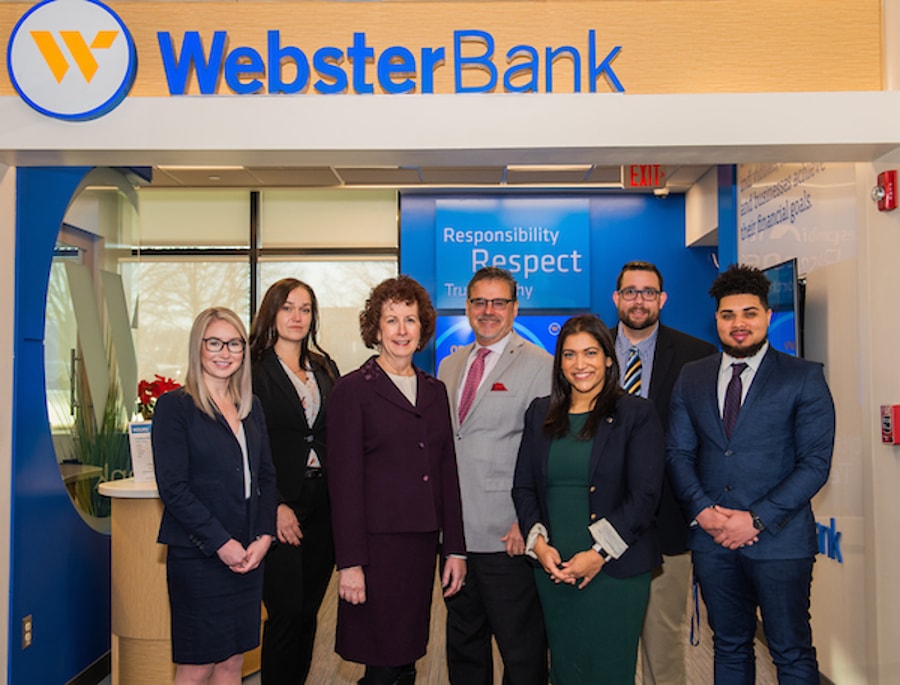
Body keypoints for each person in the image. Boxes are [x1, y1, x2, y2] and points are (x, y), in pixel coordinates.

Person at [667, 264, 835, 684]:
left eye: (749, 313)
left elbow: (815, 463)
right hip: (713, 540)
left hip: (781, 542)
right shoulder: (693, 377)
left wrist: (755, 519)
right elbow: (679, 451)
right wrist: (703, 511)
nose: (738, 324)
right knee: (729, 645)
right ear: (717, 319)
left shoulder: (804, 376)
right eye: (728, 315)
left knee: (791, 652)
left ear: (767, 317)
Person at [327, 275, 466, 685]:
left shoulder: (434, 391)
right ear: (376, 328)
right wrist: (350, 563)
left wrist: (454, 548)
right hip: (375, 549)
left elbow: (446, 471)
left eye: (410, 319)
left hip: (421, 545)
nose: (402, 330)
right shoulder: (353, 391)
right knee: (381, 658)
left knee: (407, 654)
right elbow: (344, 484)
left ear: (423, 327)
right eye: (391, 320)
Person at [513, 314, 665, 684]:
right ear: (559, 362)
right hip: (555, 566)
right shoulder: (539, 412)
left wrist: (597, 554)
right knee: (565, 667)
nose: (580, 365)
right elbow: (524, 487)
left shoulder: (636, 413)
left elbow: (644, 496)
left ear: (609, 359)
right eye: (569, 355)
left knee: (609, 670)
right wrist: (539, 545)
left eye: (590, 353)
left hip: (615, 570)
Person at [437, 266, 551, 685]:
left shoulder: (541, 365)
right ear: (467, 307)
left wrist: (529, 519)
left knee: (520, 650)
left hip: (508, 535)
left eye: (498, 302)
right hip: (455, 536)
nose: (488, 311)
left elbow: (545, 452)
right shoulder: (451, 366)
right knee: (464, 644)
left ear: (514, 308)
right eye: (479, 302)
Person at [153, 307, 277, 685]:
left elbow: (267, 477)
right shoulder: (176, 407)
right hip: (200, 555)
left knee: (232, 661)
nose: (225, 352)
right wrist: (221, 543)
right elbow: (174, 489)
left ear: (244, 350)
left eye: (234, 343)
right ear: (199, 348)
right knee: (197, 665)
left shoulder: (250, 406)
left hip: (248, 555)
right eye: (215, 343)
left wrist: (265, 537)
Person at [610, 260, 716, 685]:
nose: (639, 300)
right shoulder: (588, 349)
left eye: (648, 292)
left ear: (662, 299)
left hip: (668, 522)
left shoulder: (697, 356)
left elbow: (705, 443)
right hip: (601, 520)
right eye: (630, 292)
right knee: (607, 640)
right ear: (616, 298)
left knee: (663, 639)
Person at [249, 278, 340, 685]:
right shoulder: (252, 369)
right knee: (285, 612)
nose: (297, 316)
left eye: (305, 309)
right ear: (272, 312)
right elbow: (249, 446)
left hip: (325, 502)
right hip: (281, 503)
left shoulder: (325, 367)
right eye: (288, 307)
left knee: (308, 611)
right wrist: (276, 505)